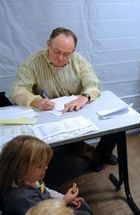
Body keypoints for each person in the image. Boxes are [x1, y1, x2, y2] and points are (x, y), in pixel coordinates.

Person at [10, 27, 117, 175]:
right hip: (55, 114)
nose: (61, 57)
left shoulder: (78, 60)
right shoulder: (33, 62)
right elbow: (18, 90)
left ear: (73, 51)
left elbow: (94, 83)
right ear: (49, 44)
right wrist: (36, 101)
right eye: (57, 52)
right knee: (73, 147)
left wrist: (84, 97)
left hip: (80, 108)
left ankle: (104, 152)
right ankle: (93, 156)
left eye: (66, 54)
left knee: (115, 126)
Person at [0, 135, 117, 215]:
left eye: (45, 164)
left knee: (82, 205)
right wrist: (65, 201)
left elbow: (46, 190)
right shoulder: (22, 198)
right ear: (22, 169)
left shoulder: (31, 178)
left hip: (51, 208)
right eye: (40, 166)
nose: (45, 168)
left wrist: (65, 198)